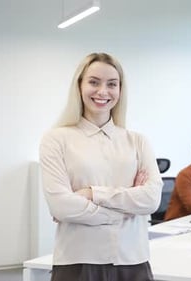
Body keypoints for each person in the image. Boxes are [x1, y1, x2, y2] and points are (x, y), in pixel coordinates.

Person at [40, 53, 162, 281]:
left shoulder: (138, 141)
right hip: (78, 261)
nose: (103, 91)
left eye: (112, 84)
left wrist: (91, 194)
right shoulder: (56, 139)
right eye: (94, 82)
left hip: (133, 261)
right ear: (79, 86)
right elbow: (61, 206)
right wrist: (126, 209)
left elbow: (151, 199)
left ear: (120, 90)